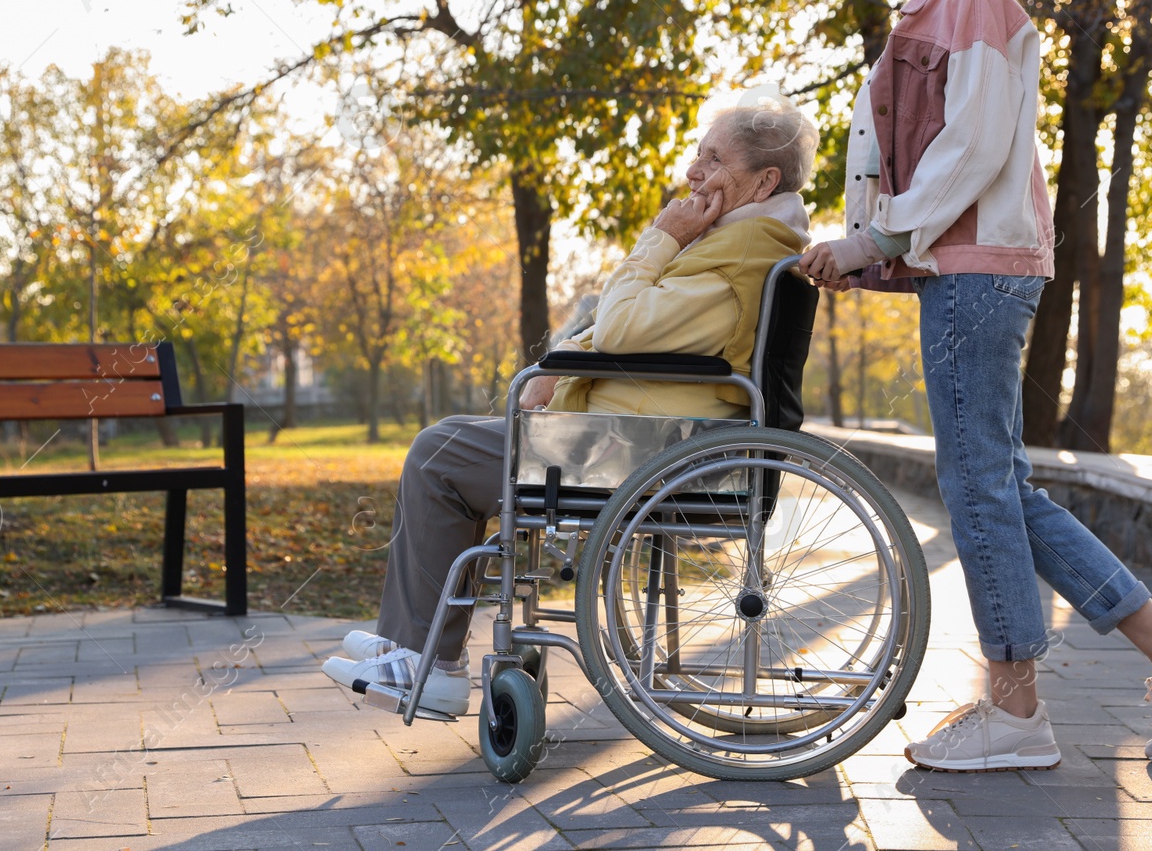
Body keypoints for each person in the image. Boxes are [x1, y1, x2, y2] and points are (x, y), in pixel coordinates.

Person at [800, 0, 1152, 771]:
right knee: (999, 483)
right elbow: (890, 149)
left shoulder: (977, 4)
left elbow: (973, 149)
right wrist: (860, 235)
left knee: (979, 487)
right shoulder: (932, 4)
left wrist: (877, 236)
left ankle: (1016, 711)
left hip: (977, 269)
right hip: (960, 267)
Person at [324, 100, 817, 715]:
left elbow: (619, 326)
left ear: (764, 181)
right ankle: (412, 642)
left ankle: (428, 661)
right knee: (451, 443)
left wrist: (661, 237)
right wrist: (561, 371)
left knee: (439, 454)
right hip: (650, 438)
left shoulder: (737, 253)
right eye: (698, 152)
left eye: (714, 158)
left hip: (644, 451)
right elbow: (623, 325)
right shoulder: (743, 245)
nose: (695, 170)